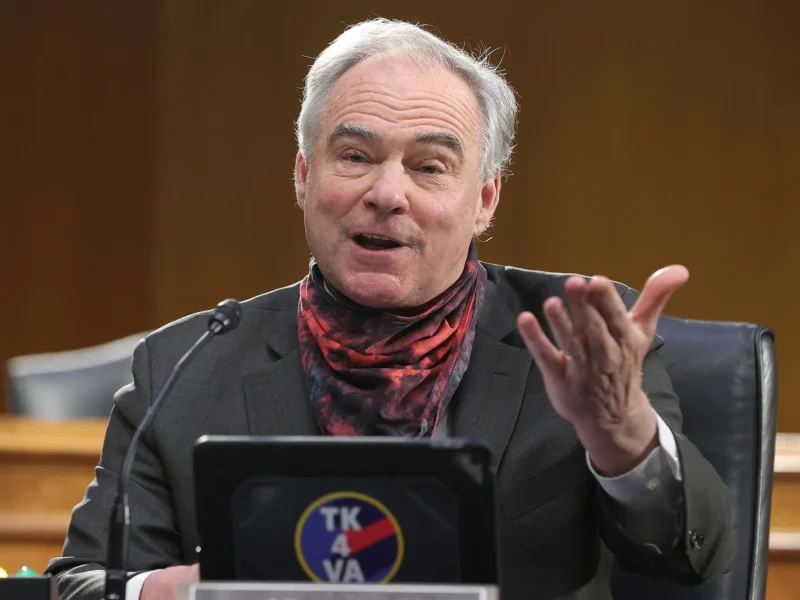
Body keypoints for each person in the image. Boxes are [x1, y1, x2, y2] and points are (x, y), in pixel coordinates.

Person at [45, 18, 733, 600]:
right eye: (355, 156)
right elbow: (79, 582)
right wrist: (158, 591)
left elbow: (692, 559)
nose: (387, 194)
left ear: (485, 200)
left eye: (429, 167)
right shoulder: (183, 366)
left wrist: (622, 437)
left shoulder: (576, 336)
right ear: (303, 175)